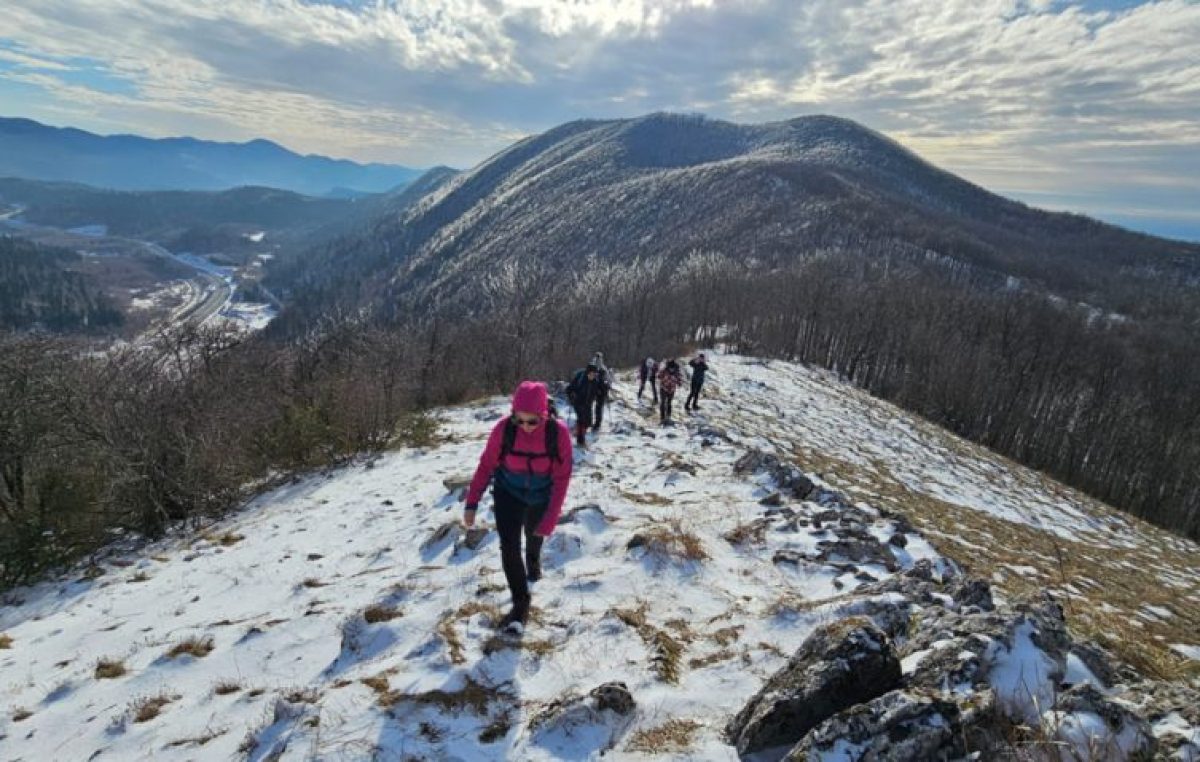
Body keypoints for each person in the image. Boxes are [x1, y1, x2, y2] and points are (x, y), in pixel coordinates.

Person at [464, 381, 573, 632]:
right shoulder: (504, 430)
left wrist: (551, 519)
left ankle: (533, 563)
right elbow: (486, 465)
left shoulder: (557, 434)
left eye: (532, 421)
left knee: (534, 535)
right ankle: (520, 603)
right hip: (508, 493)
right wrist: (472, 503)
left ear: (543, 415)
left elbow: (562, 478)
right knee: (508, 545)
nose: (525, 426)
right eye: (519, 420)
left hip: (540, 495)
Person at [567, 362, 608, 446]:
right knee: (581, 420)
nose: (592, 376)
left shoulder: (595, 382)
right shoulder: (581, 379)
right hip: (578, 402)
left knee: (588, 422)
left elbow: (600, 392)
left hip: (588, 404)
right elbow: (569, 389)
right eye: (591, 374)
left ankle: (580, 433)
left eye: (594, 374)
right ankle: (580, 440)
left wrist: (605, 388)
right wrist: (571, 396)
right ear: (587, 373)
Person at [589, 352, 613, 431]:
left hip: (596, 390)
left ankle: (594, 424)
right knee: (597, 407)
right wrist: (608, 386)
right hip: (600, 391)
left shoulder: (593, 367)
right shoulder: (603, 368)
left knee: (594, 407)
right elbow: (609, 379)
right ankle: (596, 424)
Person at [657, 358, 684, 424]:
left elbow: (680, 379)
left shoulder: (677, 372)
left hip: (672, 389)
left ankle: (668, 416)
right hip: (663, 388)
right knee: (663, 402)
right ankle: (662, 418)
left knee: (669, 403)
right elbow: (658, 376)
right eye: (670, 368)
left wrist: (679, 383)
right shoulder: (664, 370)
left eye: (672, 368)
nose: (671, 370)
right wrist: (661, 375)